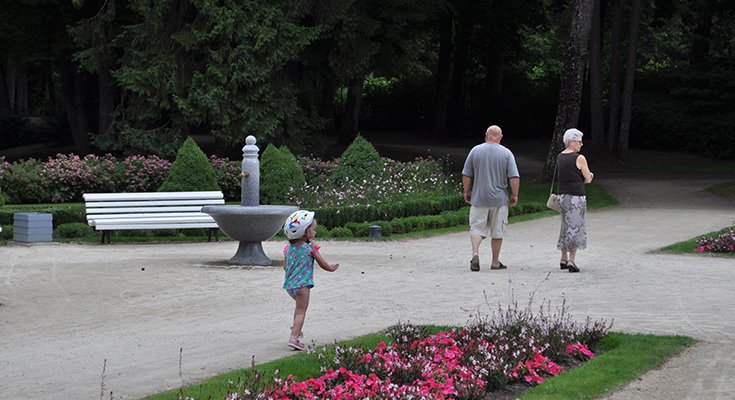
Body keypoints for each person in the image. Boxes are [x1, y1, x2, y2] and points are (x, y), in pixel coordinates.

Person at [462, 125, 520, 271]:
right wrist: (514, 194)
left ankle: (475, 253)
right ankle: (495, 262)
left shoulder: (475, 151)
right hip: (499, 199)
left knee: (476, 228)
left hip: (479, 197)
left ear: (486, 135)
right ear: (500, 137)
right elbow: (514, 177)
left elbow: (467, 174)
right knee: (497, 231)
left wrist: (467, 191)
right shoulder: (506, 153)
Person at [282, 210, 339, 350]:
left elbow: (285, 267)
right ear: (305, 232)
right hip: (303, 286)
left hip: (290, 286)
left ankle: (296, 329)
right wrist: (330, 268)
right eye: (313, 229)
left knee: (298, 309)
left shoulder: (288, 249)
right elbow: (322, 263)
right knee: (302, 311)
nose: (315, 233)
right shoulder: (311, 247)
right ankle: (294, 338)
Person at [556, 128, 594, 273]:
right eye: (579, 141)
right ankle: (572, 260)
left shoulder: (560, 156)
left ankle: (563, 257)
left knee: (565, 225)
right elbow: (587, 179)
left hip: (562, 195)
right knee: (576, 226)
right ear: (571, 142)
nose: (581, 144)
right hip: (576, 196)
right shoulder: (579, 158)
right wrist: (589, 175)